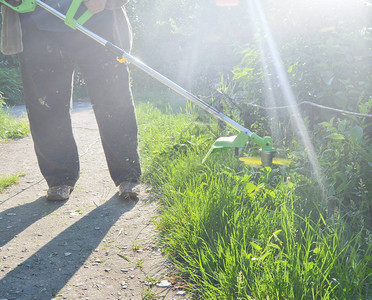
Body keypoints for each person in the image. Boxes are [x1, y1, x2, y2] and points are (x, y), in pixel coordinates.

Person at [1, 0, 141, 200]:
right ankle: (59, 178)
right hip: (37, 20)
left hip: (97, 18)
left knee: (114, 99)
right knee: (45, 105)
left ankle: (128, 175)